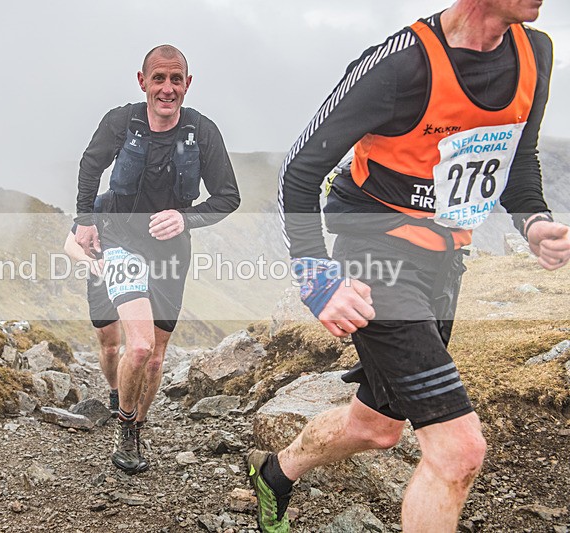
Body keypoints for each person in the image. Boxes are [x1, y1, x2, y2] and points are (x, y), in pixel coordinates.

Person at [249, 1, 570, 532]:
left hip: (444, 263)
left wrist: (533, 221)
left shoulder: (536, 52)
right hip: (376, 255)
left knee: (377, 426)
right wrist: (316, 275)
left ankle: (276, 474)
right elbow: (299, 170)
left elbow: (518, 156)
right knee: (459, 451)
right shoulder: (401, 65)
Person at [74, 44, 240, 474]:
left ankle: (137, 422)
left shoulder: (203, 132)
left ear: (188, 84)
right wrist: (85, 220)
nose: (168, 88)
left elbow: (228, 198)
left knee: (156, 355)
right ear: (142, 81)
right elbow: (91, 166)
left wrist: (185, 219)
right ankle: (125, 424)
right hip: (120, 241)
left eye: (176, 79)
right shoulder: (120, 122)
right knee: (137, 344)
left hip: (170, 252)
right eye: (159, 79)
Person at [63, 191, 123, 417]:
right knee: (110, 347)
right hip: (102, 280)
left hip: (140, 277)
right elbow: (70, 244)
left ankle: (132, 391)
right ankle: (116, 391)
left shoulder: (150, 200)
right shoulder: (101, 203)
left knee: (142, 343)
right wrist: (91, 262)